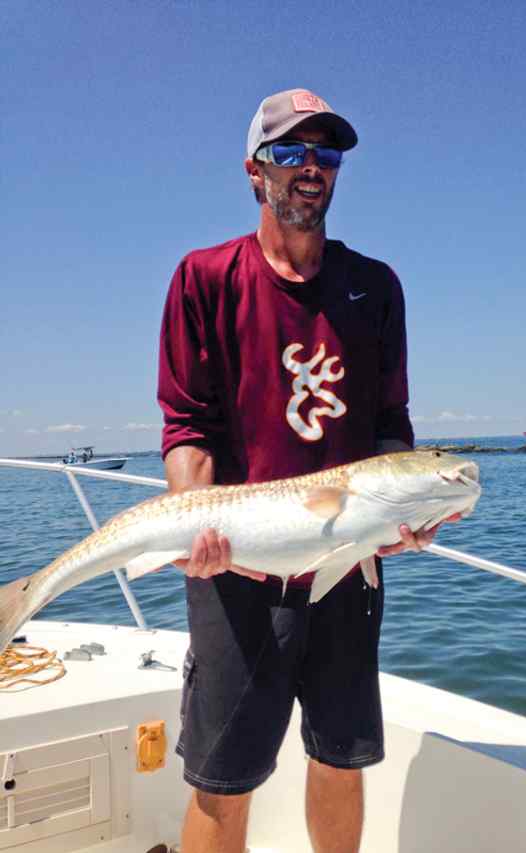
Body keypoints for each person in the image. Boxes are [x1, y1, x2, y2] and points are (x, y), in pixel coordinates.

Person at [158, 88, 442, 853]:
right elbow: (187, 425)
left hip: (347, 566)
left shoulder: (375, 288)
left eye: (326, 152)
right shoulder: (204, 279)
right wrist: (195, 519)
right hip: (237, 568)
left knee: (341, 759)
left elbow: (390, 425)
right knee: (222, 781)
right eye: (289, 150)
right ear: (255, 170)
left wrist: (402, 510)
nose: (310, 166)